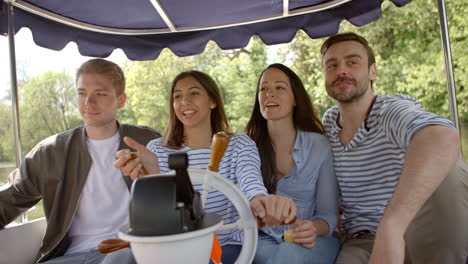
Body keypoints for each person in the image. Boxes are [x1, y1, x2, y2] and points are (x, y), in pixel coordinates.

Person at [115, 70, 297, 264]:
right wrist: (152, 177)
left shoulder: (239, 145)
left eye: (194, 93)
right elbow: (156, 218)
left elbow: (252, 186)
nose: (184, 101)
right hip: (174, 250)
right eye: (177, 96)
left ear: (212, 101)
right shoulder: (156, 150)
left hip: (227, 247)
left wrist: (265, 203)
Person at [320, 32, 467, 264]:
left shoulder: (389, 111)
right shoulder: (328, 122)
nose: (341, 71)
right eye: (332, 65)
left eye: (352, 62)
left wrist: (392, 226)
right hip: (361, 240)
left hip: (411, 229)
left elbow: (442, 137)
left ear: (372, 71)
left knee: (450, 170)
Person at [0, 58, 161, 263]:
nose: (88, 102)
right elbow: (11, 198)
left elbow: (182, 197)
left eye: (100, 94)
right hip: (69, 257)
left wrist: (156, 173)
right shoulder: (51, 151)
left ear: (121, 100)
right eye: (82, 93)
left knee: (123, 258)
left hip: (126, 251)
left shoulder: (148, 142)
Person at [245, 63, 340, 264]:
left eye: (279, 87)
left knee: (289, 254)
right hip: (263, 240)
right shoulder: (246, 146)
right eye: (263, 89)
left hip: (314, 241)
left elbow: (328, 215)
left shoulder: (320, 146)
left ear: (295, 98)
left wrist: (312, 228)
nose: (269, 94)